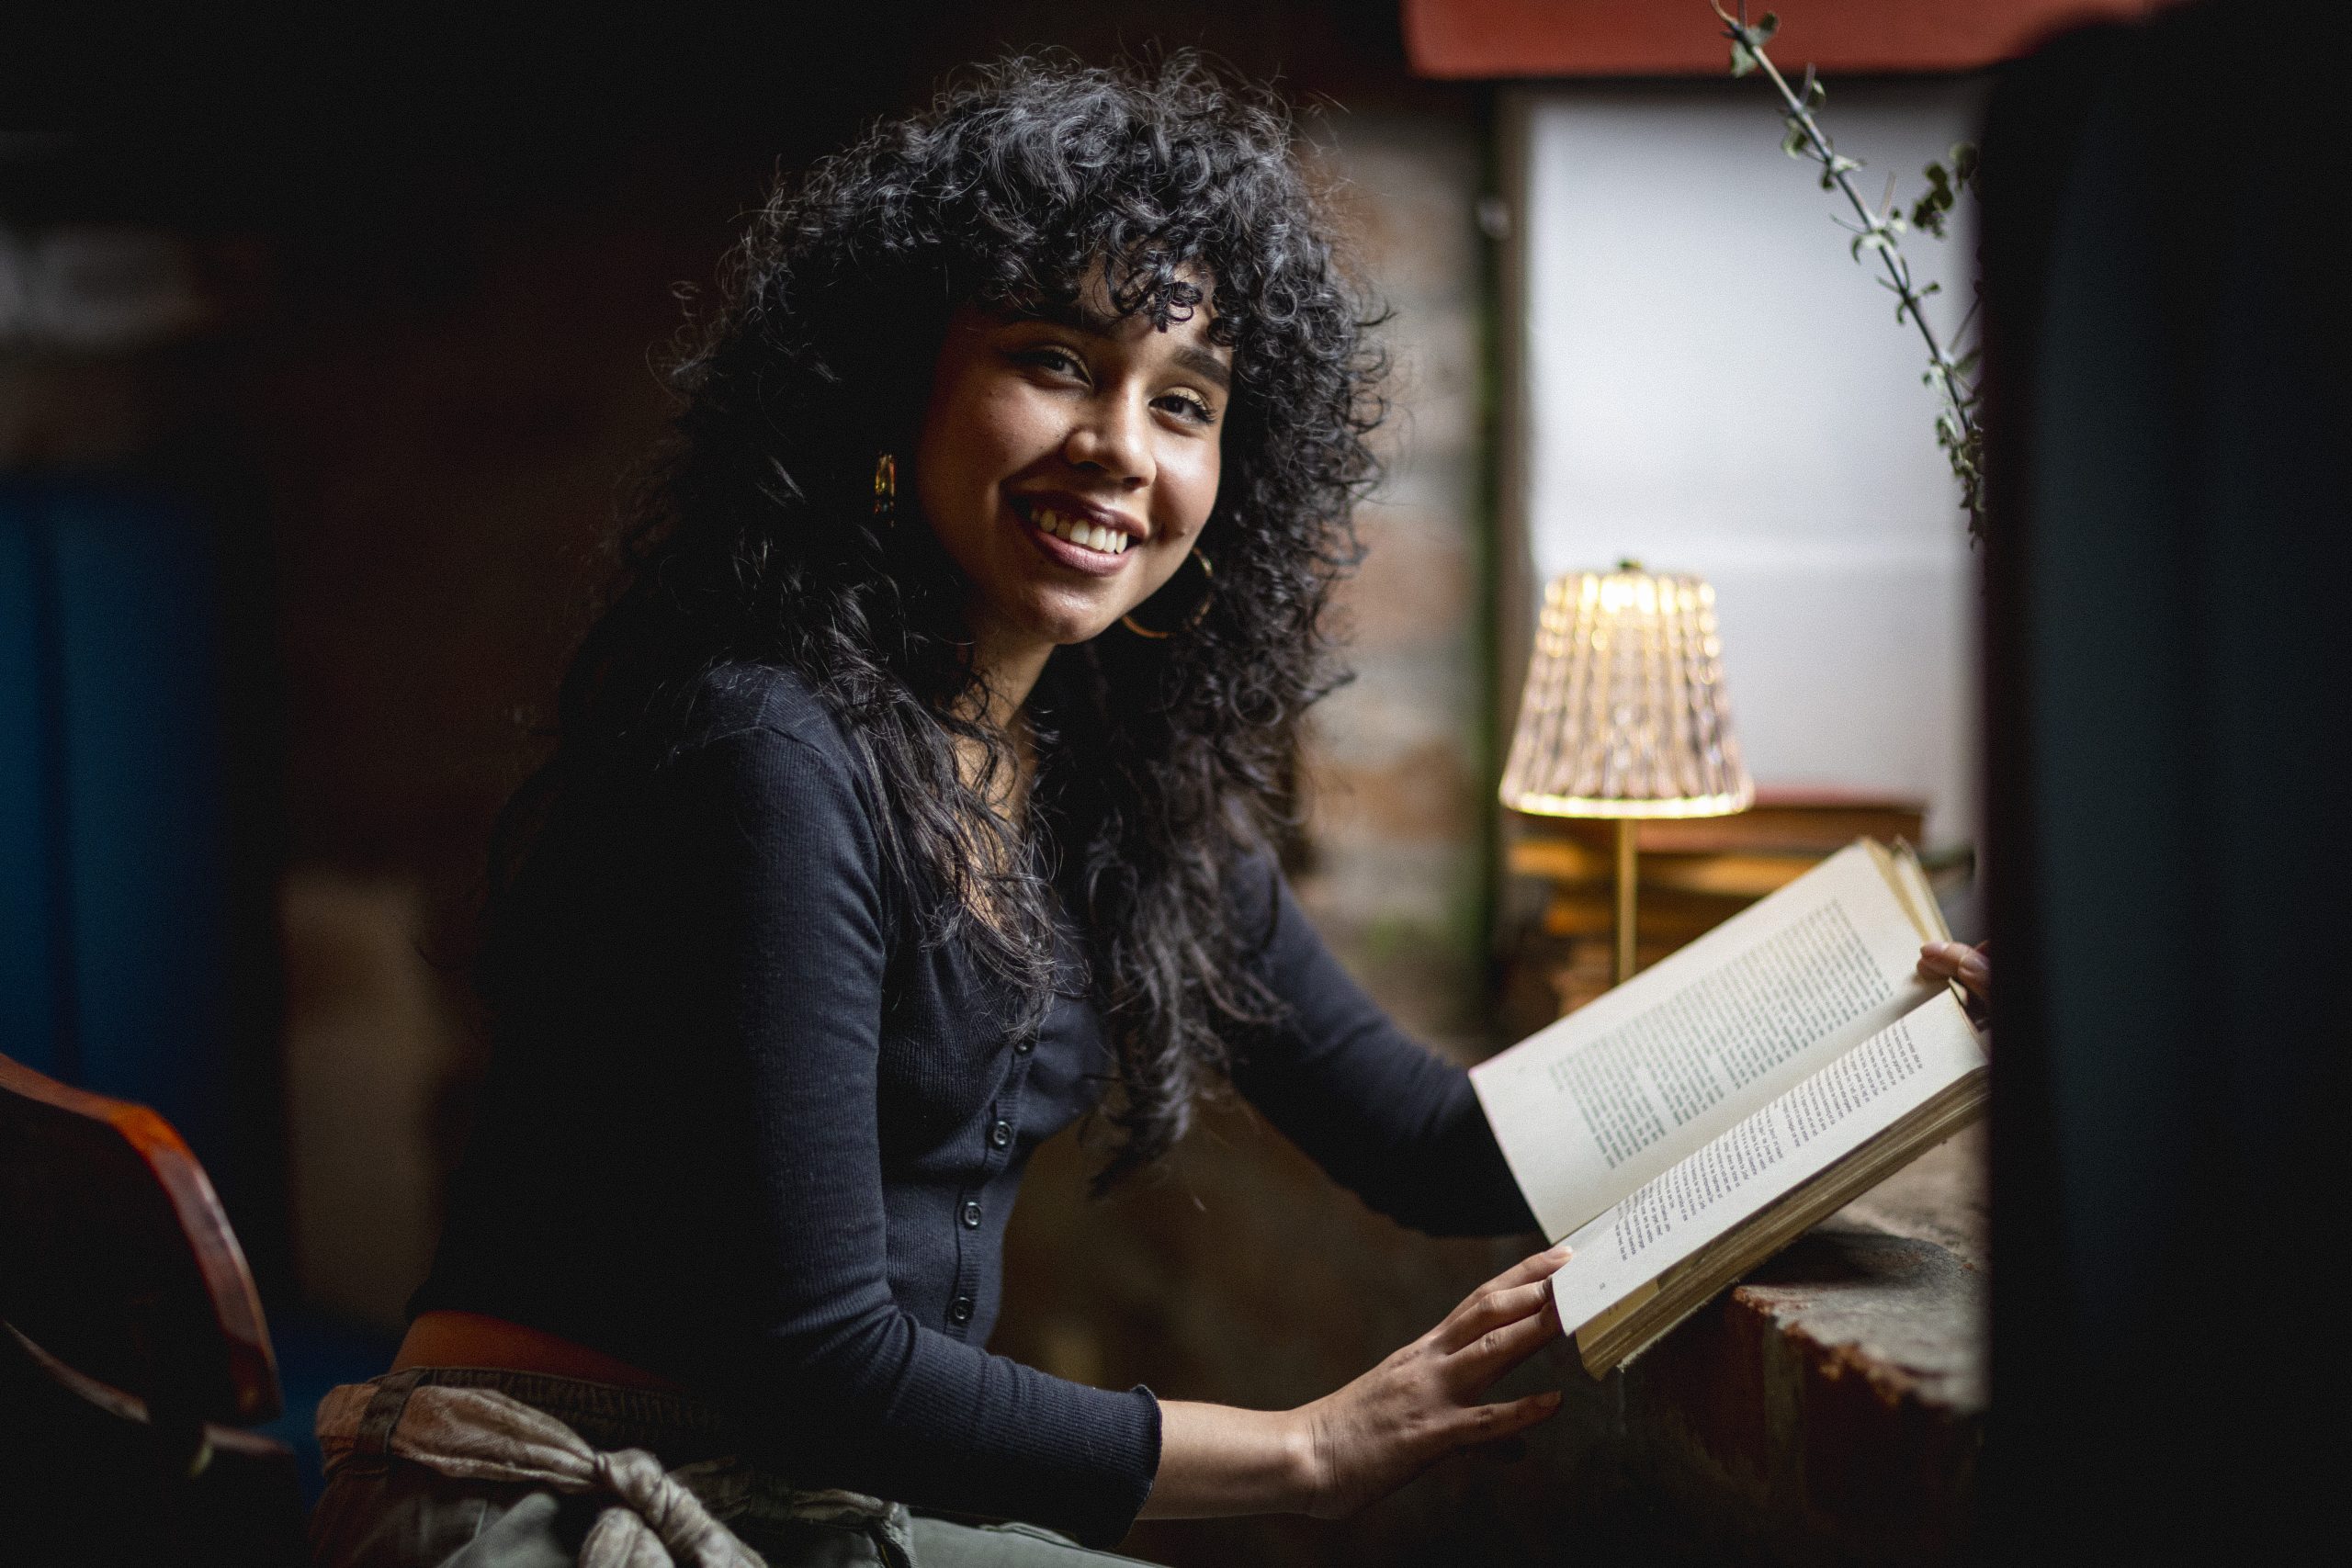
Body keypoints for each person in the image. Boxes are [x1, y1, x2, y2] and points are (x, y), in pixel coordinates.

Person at [309, 56, 1990, 1568]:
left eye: (1184, 399)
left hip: (817, 1503)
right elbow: (822, 1362)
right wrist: (1319, 1451)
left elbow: (1436, 1142)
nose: (1121, 447)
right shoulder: (770, 751)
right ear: (893, 392)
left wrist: (1875, 1016)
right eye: (1056, 361)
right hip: (566, 1502)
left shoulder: (1121, 797)